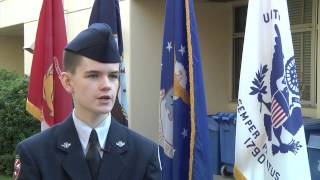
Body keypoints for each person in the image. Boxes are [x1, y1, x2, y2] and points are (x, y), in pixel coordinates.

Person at [14, 23, 161, 180]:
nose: (106, 86)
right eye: (93, 75)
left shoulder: (144, 153)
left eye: (113, 76)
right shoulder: (35, 153)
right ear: (67, 82)